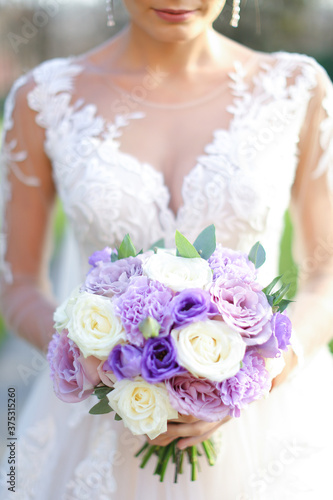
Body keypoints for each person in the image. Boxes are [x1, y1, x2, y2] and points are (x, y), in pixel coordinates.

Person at [1, 0, 333, 498]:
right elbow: (17, 283)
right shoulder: (43, 98)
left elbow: (326, 268)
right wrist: (99, 362)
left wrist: (262, 369)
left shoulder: (296, 88)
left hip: (266, 425)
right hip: (97, 425)